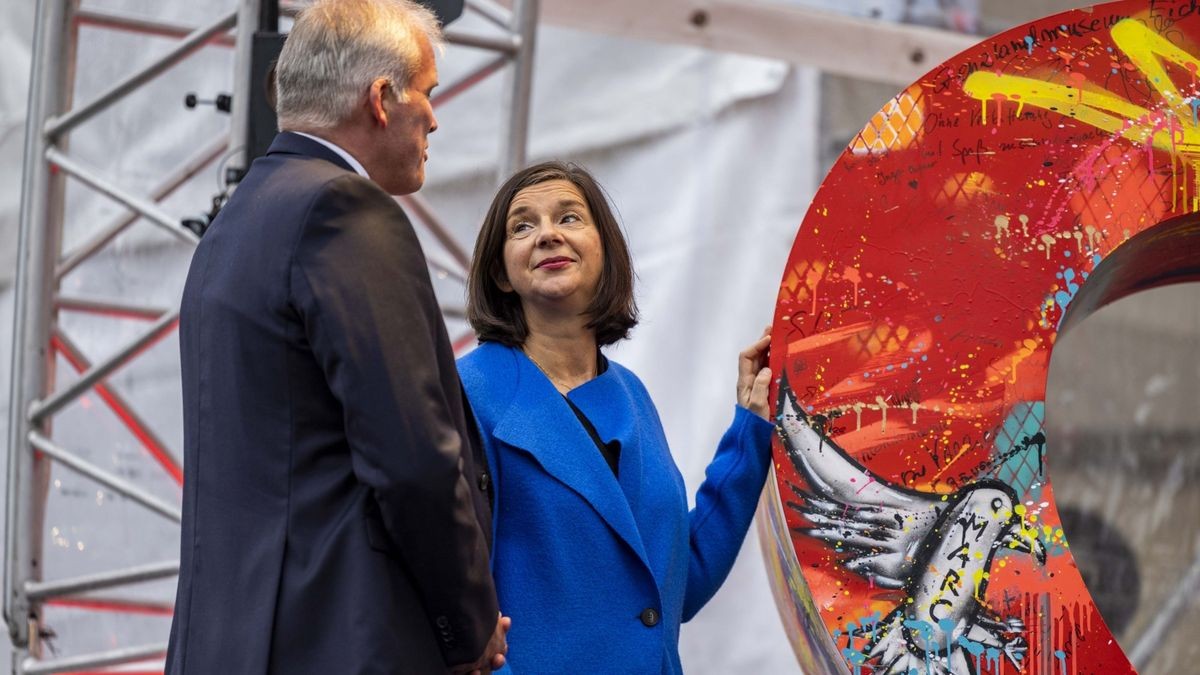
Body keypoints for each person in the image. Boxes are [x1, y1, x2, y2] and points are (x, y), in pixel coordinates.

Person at [166, 1, 507, 672]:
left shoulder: (233, 226)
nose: (435, 117)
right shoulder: (342, 209)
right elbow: (413, 456)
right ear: (382, 99)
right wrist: (467, 626)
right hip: (339, 636)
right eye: (429, 93)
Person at [457, 161, 774, 674]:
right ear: (500, 272)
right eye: (523, 225)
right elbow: (451, 595)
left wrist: (749, 430)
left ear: (604, 252)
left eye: (569, 218)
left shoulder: (631, 395)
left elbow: (677, 584)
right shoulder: (468, 392)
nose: (548, 235)